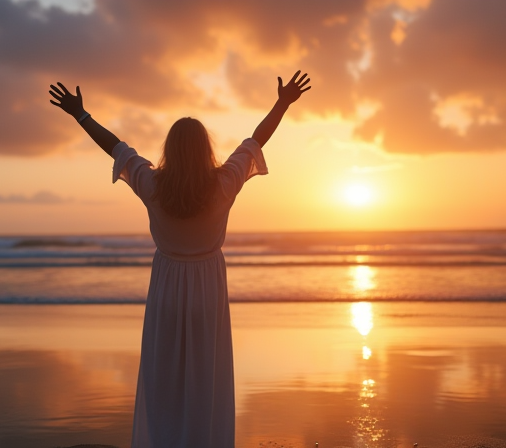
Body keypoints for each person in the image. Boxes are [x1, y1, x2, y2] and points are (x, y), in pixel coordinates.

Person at [49, 71, 311, 448]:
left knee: (164, 379)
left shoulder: (152, 184)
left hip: (167, 286)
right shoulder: (224, 182)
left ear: (170, 150)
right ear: (205, 149)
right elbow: (256, 140)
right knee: (207, 379)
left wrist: (81, 115)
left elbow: (116, 147)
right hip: (207, 287)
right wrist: (282, 103)